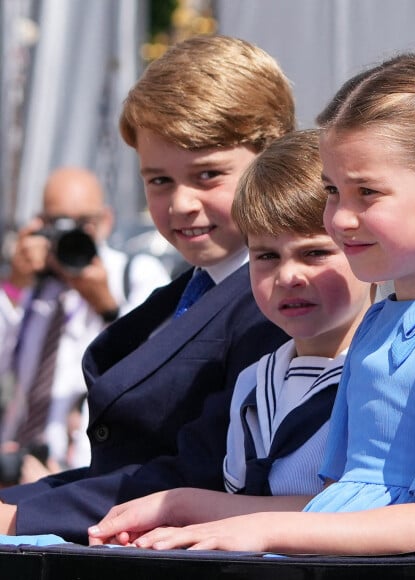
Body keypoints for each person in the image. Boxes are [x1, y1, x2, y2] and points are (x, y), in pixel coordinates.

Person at [97, 52, 415, 555]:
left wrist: (257, 531)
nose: (339, 218)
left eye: (367, 192)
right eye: (333, 191)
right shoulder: (384, 321)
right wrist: (184, 506)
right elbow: (337, 505)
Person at [0, 34, 294, 544]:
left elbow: (201, 468)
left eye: (207, 175)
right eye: (158, 181)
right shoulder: (190, 291)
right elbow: (121, 465)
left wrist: (24, 518)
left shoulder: (281, 302)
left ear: (272, 161)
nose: (180, 203)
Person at [87, 129, 373, 546]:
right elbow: (241, 499)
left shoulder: (385, 371)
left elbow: (367, 512)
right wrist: (172, 515)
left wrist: (184, 508)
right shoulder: (255, 383)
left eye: (314, 252)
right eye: (266, 257)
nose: (289, 276)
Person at [0, 167, 170, 478]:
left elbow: (155, 374)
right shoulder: (29, 283)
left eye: (82, 224)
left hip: (85, 471)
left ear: (106, 220)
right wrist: (13, 287)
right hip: (11, 465)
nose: (69, 234)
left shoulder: (134, 275)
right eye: (56, 223)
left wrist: (107, 306)